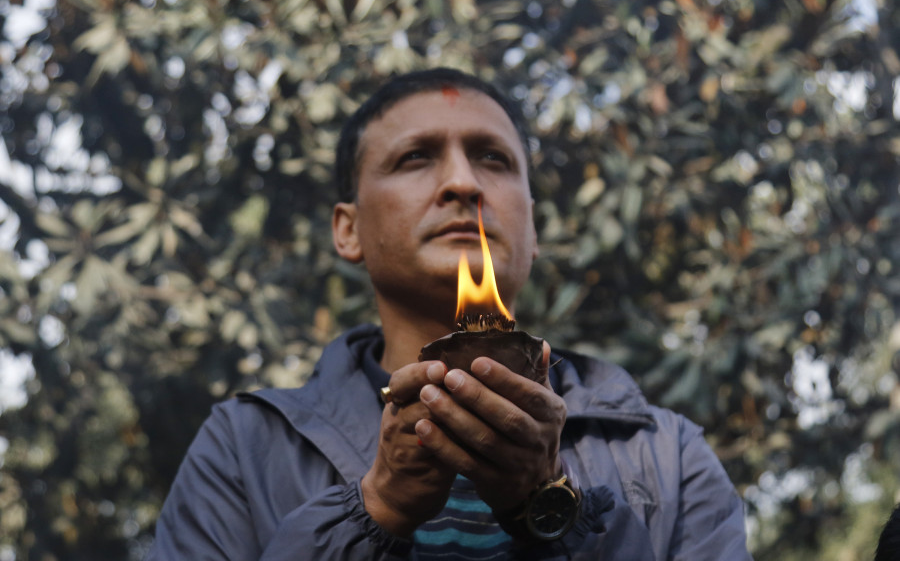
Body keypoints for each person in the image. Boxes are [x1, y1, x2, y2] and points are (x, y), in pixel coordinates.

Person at [146, 68, 752, 560]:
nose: (463, 182)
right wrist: (379, 506)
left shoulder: (665, 455)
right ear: (348, 230)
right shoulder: (244, 447)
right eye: (415, 158)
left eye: (492, 158)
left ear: (534, 228)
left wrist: (550, 506)